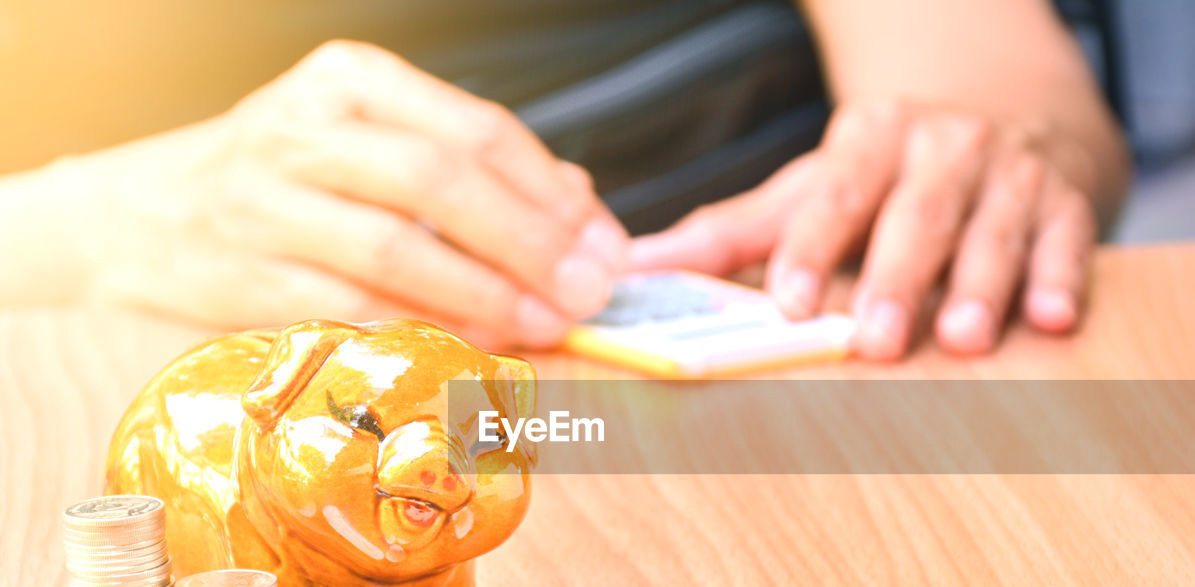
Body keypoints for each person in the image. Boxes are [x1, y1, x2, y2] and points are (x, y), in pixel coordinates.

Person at [0, 0, 1128, 360]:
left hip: (831, 335)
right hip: (185, 356)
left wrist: (970, 152)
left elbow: (997, 80)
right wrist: (106, 223)